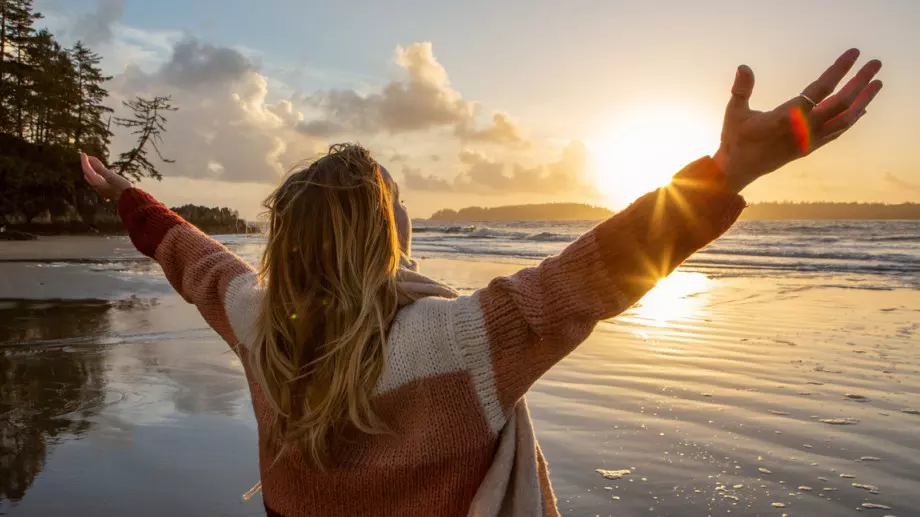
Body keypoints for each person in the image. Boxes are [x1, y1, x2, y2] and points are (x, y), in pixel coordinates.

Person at [80, 48, 882, 517]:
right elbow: (594, 271)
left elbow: (194, 260)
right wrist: (730, 171)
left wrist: (127, 196)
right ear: (386, 236)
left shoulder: (259, 323)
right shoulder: (461, 342)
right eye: (397, 204)